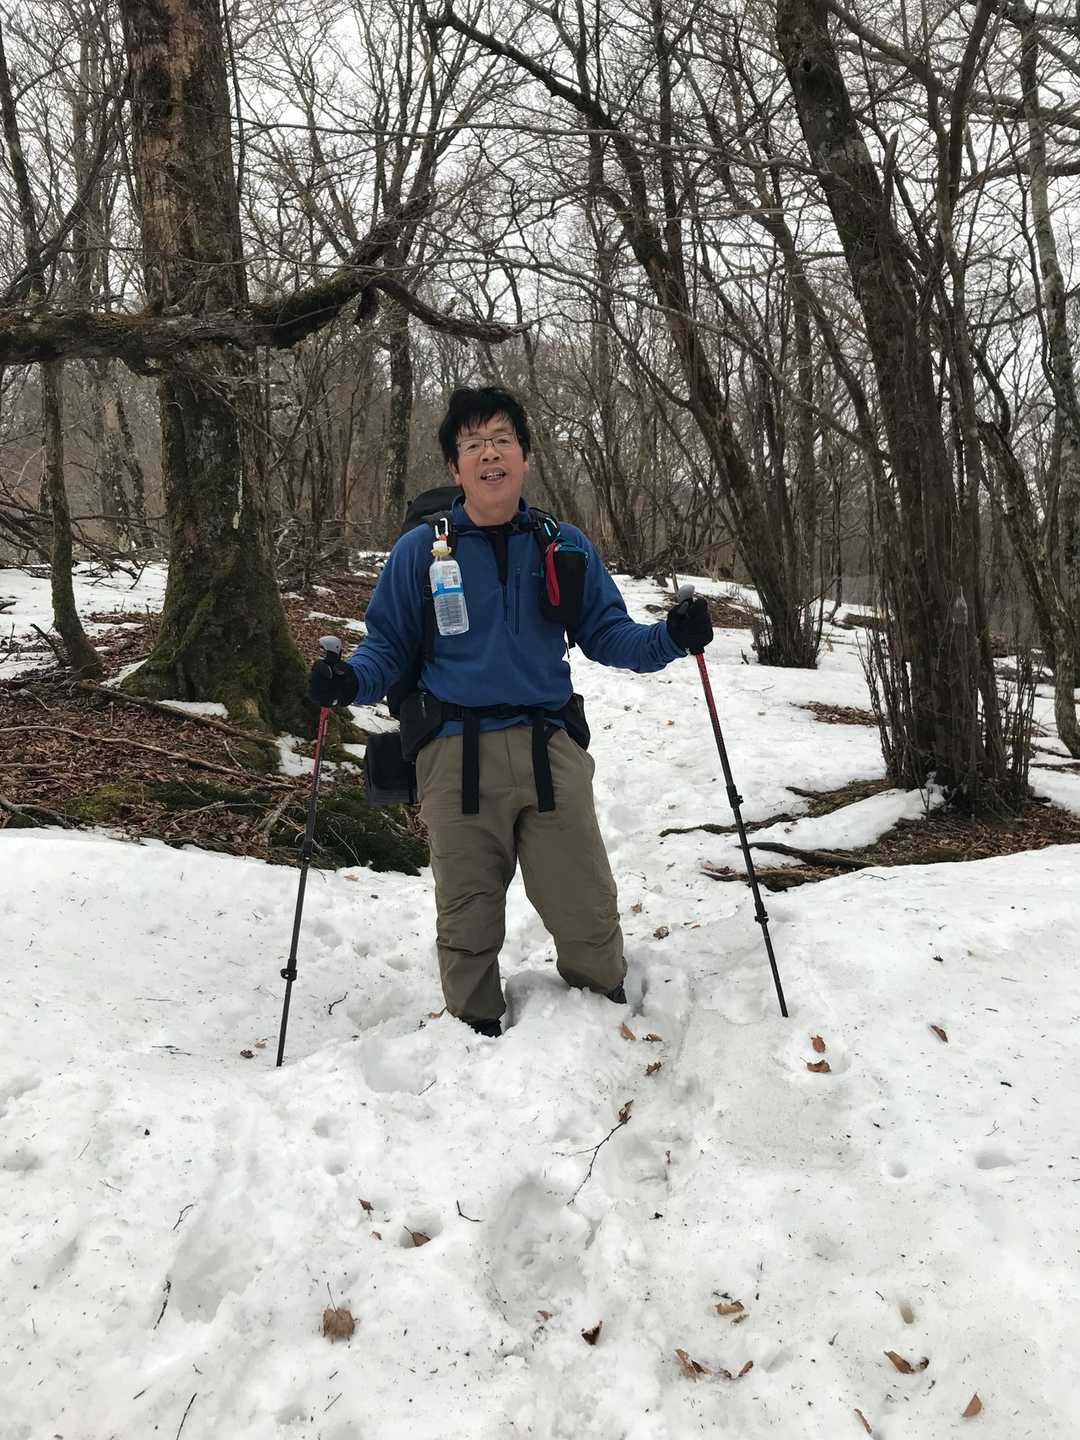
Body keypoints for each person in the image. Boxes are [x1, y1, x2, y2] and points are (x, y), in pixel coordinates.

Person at [309, 386, 713, 1037]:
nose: (490, 454)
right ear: (455, 466)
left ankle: (602, 1017)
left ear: (525, 456)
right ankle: (472, 1037)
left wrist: (673, 636)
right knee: (466, 919)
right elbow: (386, 648)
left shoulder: (563, 546)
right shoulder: (420, 552)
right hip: (453, 753)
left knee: (585, 910)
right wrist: (346, 681)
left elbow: (611, 636)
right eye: (473, 444)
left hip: (548, 746)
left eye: (502, 440)